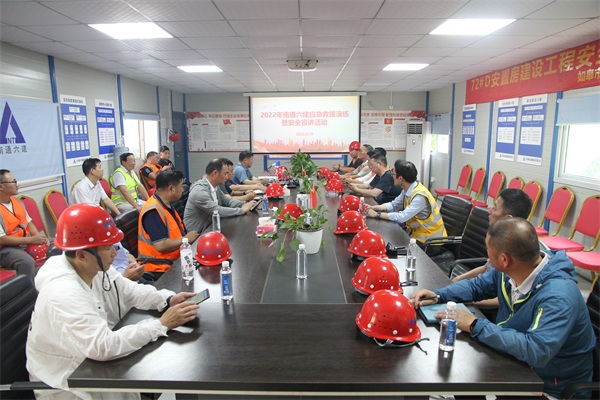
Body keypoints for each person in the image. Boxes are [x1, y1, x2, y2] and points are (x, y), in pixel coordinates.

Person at [26, 203, 200, 400]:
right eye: (108, 247)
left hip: (95, 368)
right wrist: (161, 324)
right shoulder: (63, 292)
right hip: (67, 385)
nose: (115, 253)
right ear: (82, 255)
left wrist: (168, 299)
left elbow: (130, 291)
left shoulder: (92, 266)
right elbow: (103, 346)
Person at [413, 218, 595, 399]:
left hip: (550, 386)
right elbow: (476, 286)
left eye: (488, 250)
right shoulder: (515, 269)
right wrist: (439, 295)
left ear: (504, 259)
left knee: (461, 373)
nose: (487, 255)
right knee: (463, 375)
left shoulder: (558, 296)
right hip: (517, 364)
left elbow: (537, 350)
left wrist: (475, 325)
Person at [452, 188, 533, 310]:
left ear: (507, 218)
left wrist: (470, 303)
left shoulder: (516, 250)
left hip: (489, 308)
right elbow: (486, 267)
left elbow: (506, 299)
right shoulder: (499, 238)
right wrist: (458, 279)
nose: (490, 210)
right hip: (481, 291)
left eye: (495, 208)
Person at [365, 160, 446, 251]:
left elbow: (402, 217)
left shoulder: (419, 196)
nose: (392, 177)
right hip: (416, 236)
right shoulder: (407, 189)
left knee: (390, 249)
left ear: (400, 178)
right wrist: (374, 207)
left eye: (393, 174)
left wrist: (377, 214)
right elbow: (393, 205)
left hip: (430, 242)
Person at [138, 169, 199, 280]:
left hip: (176, 259)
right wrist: (186, 239)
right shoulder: (153, 211)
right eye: (180, 186)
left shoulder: (165, 204)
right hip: (160, 267)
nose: (182, 189)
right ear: (171, 188)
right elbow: (161, 245)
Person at [184, 158, 256, 235]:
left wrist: (244, 204)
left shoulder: (215, 186)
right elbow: (216, 210)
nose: (227, 177)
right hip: (199, 234)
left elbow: (228, 201)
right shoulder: (199, 191)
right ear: (215, 173)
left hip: (212, 226)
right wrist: (241, 210)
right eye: (225, 174)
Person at [0, 169, 49, 279]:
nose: (17, 185)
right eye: (13, 182)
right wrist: (31, 240)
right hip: (5, 249)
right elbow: (2, 239)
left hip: (24, 242)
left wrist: (38, 237)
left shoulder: (17, 202)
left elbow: (29, 223)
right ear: (1, 187)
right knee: (26, 262)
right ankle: (28, 288)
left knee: (56, 245)